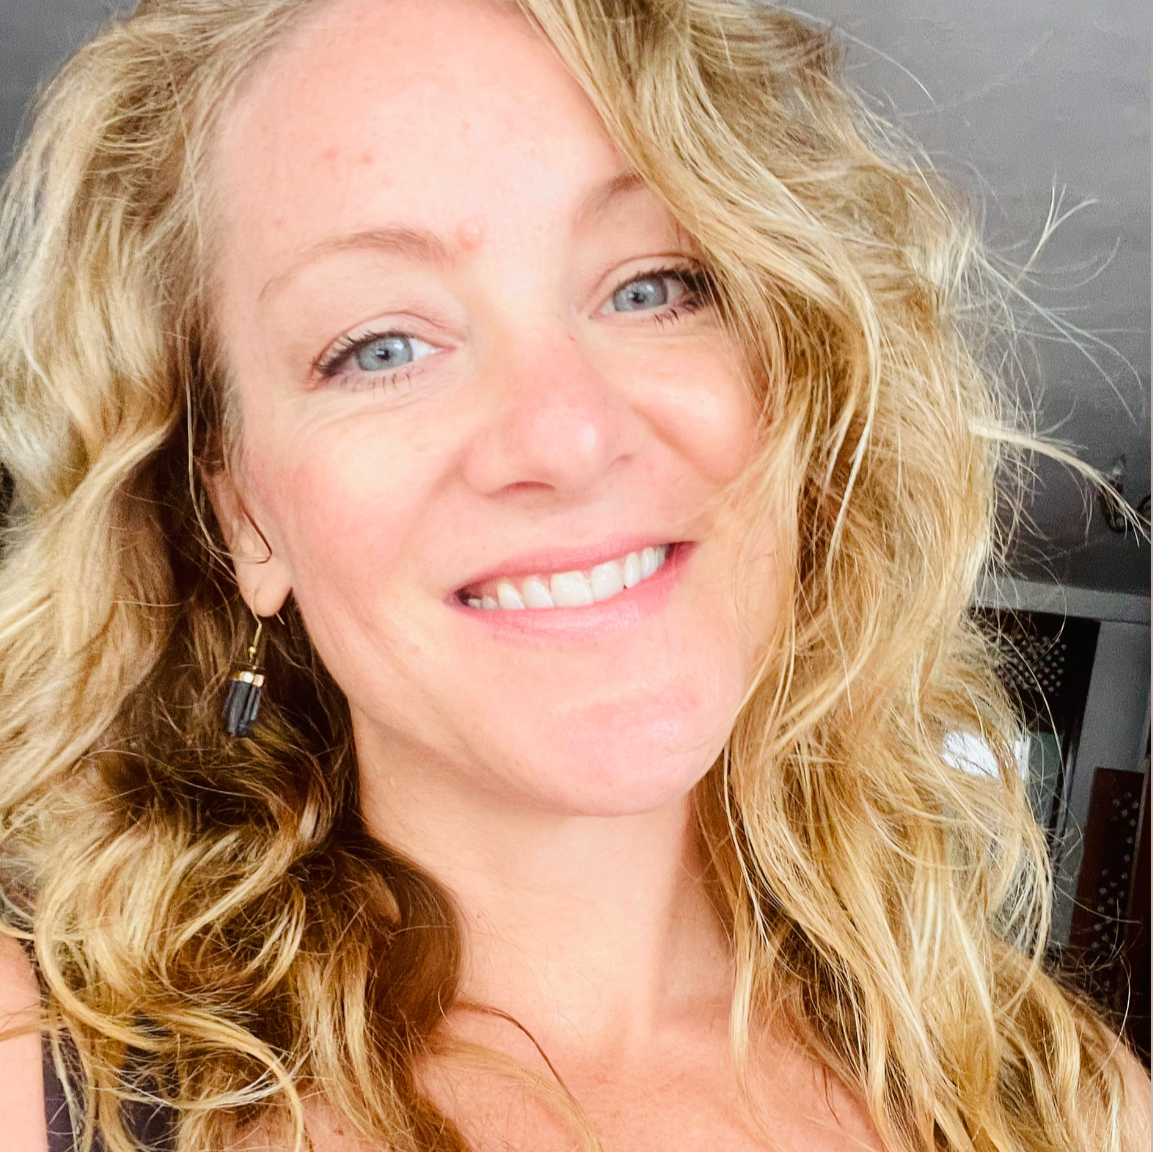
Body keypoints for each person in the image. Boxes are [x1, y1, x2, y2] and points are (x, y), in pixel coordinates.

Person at [0, 0, 1147, 1149]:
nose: (568, 434)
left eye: (653, 286)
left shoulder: (1062, 1102)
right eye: (380, 348)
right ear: (243, 513)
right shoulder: (33, 1068)